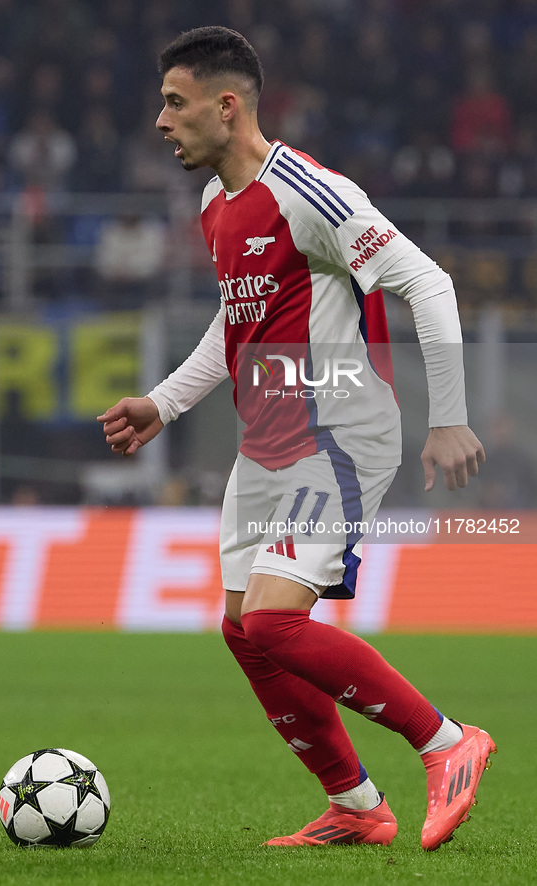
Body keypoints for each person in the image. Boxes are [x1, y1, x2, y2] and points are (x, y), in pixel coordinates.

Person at [98, 26, 495, 851]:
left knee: (276, 623)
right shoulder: (215, 205)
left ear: (226, 104)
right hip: (267, 444)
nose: (161, 122)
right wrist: (164, 405)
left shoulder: (311, 191)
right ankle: (355, 805)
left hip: (339, 432)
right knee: (243, 629)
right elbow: (232, 320)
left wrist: (449, 414)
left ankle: (448, 743)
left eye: (175, 102)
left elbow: (428, 280)